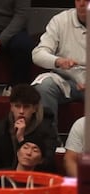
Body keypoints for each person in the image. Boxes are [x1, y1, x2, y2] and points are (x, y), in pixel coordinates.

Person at [31, 0, 87, 130]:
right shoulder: (60, 20)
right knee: (44, 85)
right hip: (67, 81)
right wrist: (58, 61)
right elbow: (38, 54)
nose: (82, 4)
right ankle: (50, 141)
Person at [0, 84, 58, 173]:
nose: (21, 111)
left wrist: (21, 140)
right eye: (17, 106)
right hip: (4, 180)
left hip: (35, 179)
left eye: (26, 107)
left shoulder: (46, 129)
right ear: (11, 107)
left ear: (34, 108)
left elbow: (47, 163)